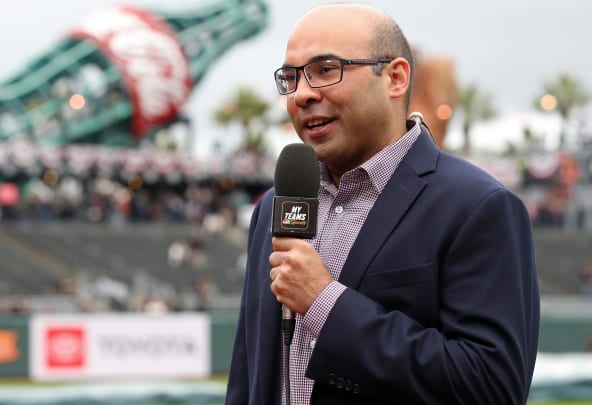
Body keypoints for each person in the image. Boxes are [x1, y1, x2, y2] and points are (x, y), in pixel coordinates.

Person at [225, 4, 539, 405]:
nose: (302, 94)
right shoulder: (274, 205)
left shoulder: (479, 207)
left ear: (395, 77)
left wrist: (325, 303)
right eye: (291, 77)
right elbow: (247, 375)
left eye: (325, 69)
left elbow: (492, 386)